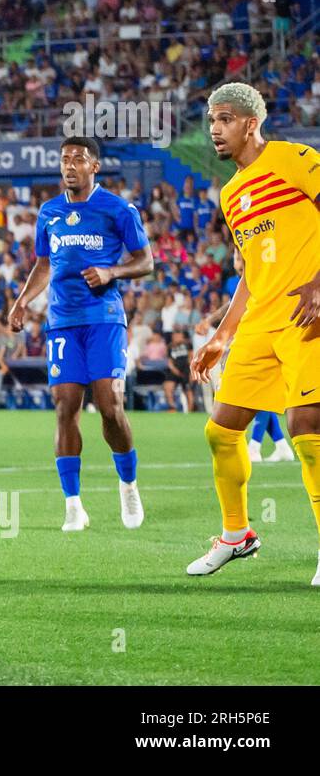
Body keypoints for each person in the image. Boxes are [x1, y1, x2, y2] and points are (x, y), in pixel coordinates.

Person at [188, 82, 320, 583]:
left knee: (307, 428)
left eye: (223, 119)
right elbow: (250, 271)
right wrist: (223, 334)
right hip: (260, 319)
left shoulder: (295, 159)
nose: (214, 130)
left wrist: (319, 282)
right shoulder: (230, 192)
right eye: (210, 121)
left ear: (250, 122)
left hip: (307, 315)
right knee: (220, 430)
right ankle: (236, 534)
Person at [8, 135, 154, 532]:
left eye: (78, 159)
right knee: (64, 405)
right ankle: (73, 505)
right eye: (65, 159)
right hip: (62, 321)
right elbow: (44, 264)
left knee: (110, 407)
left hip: (104, 318)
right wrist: (23, 301)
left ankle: (128, 486)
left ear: (94, 167)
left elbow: (146, 261)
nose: (70, 165)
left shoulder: (117, 209)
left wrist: (112, 272)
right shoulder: (49, 212)